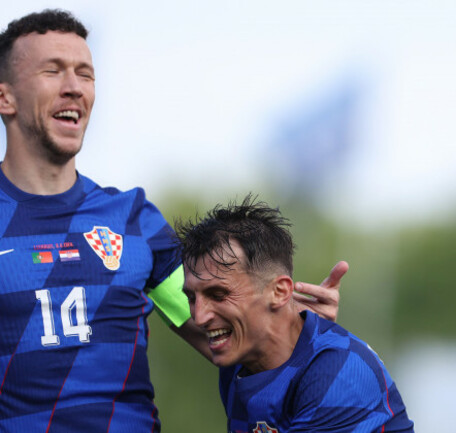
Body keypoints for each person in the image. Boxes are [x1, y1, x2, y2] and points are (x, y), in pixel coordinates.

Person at [0, 9, 347, 432]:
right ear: (6, 97)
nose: (74, 87)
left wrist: (295, 325)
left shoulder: (133, 218)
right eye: (52, 71)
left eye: (85, 74)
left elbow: (222, 328)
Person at [177, 195, 414, 432]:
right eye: (191, 298)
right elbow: (154, 256)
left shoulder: (338, 374)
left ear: (279, 292)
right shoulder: (240, 354)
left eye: (218, 295)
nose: (199, 317)